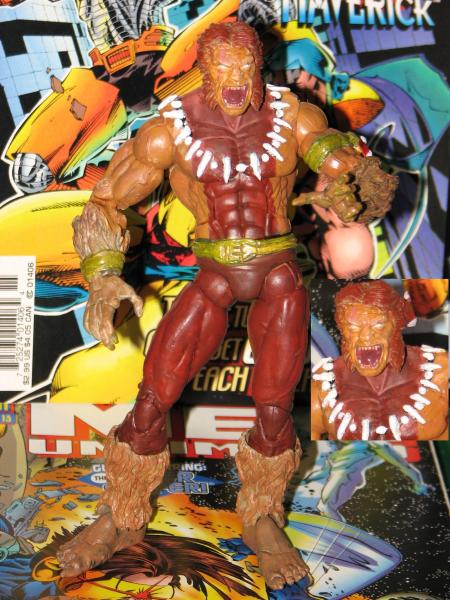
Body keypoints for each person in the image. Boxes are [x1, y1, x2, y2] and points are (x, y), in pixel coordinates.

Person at [57, 22, 397, 590]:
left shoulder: (294, 117)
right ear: (205, 71)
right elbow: (107, 201)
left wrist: (360, 179)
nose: (237, 78)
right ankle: (121, 514)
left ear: (259, 66)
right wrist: (103, 275)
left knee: (274, 409)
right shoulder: (169, 130)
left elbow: (342, 161)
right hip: (213, 275)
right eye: (224, 67)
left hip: (279, 276)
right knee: (152, 399)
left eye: (246, 67)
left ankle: (262, 518)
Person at [311, 281, 448, 441]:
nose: (365, 336)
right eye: (353, 327)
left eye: (378, 324)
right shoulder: (325, 383)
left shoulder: (440, 371)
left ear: (396, 324)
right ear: (342, 329)